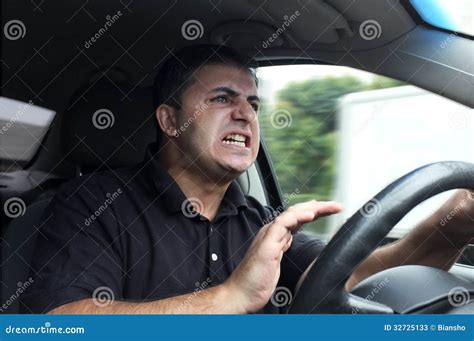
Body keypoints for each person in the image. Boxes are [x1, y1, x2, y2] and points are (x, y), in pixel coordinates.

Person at [21, 44, 474, 314]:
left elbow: (351, 274)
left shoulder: (260, 218)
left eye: (253, 104)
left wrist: (449, 225)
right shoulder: (93, 203)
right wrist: (231, 296)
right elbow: (65, 320)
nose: (245, 113)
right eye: (222, 98)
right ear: (170, 120)